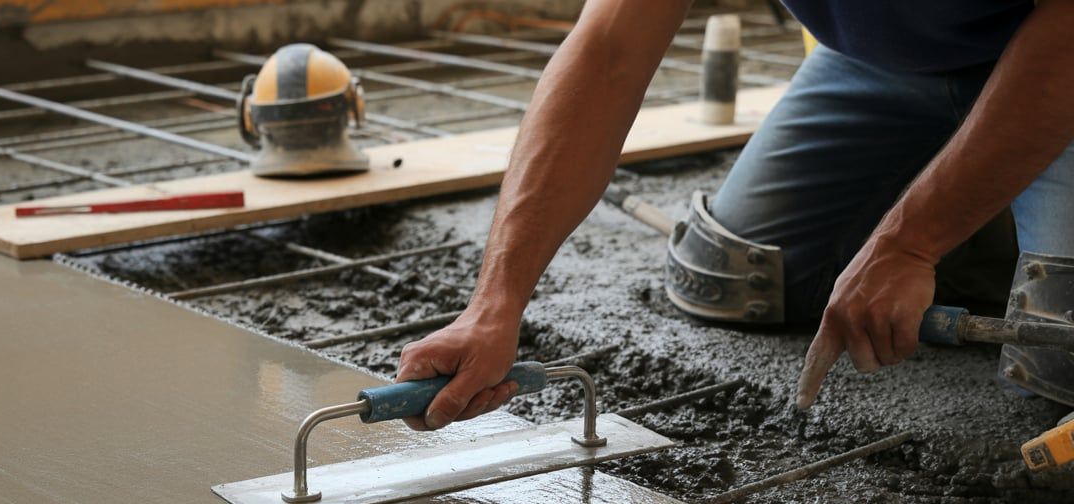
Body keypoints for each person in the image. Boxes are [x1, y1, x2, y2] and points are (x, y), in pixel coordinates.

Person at [395, 0, 1074, 430]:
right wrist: (496, 304)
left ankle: (984, 209)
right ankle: (983, 205)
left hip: (1052, 46)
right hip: (882, 62)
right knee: (733, 275)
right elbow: (606, 53)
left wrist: (910, 245)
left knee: (1057, 355)